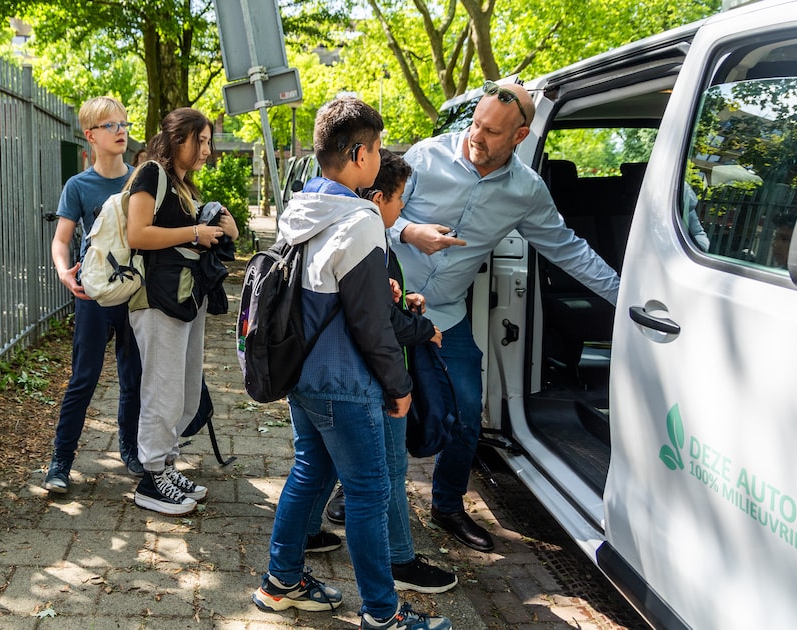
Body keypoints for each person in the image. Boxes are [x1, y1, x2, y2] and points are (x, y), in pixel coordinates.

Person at [390, 81, 619, 552]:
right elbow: (369, 213)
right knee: (374, 408)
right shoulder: (424, 158)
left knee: (468, 413)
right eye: (475, 124)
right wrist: (410, 231)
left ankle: (448, 505)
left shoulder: (526, 191)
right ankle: (350, 491)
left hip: (446, 318)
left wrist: (627, 295)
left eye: (492, 132)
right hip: (388, 305)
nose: (477, 137)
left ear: (519, 137)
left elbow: (567, 249)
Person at [252, 96, 451, 630]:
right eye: (379, 146)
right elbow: (370, 325)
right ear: (361, 154)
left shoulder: (303, 207)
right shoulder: (360, 217)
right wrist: (398, 383)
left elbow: (329, 290)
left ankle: (281, 582)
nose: (380, 154)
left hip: (303, 374)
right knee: (367, 492)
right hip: (345, 381)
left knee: (308, 471)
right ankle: (384, 614)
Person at [304, 150, 458, 596]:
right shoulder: (366, 231)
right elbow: (375, 322)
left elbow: (371, 303)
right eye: (400, 199)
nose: (402, 210)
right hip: (361, 376)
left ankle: (294, 555)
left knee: (315, 467)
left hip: (321, 373)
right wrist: (418, 339)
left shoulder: (324, 218)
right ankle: (393, 572)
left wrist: (401, 303)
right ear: (376, 195)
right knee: (382, 477)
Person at [126, 107, 237, 515]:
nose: (207, 149)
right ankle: (151, 477)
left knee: (186, 391)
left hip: (186, 299)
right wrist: (195, 231)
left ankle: (167, 465)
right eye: (201, 140)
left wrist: (221, 227)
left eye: (209, 141)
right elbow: (137, 233)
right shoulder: (151, 174)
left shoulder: (183, 184)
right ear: (179, 139)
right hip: (156, 300)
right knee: (163, 388)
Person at [43, 96, 144, 494]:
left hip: (136, 294)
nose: (121, 131)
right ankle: (60, 461)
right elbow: (61, 240)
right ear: (90, 136)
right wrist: (64, 273)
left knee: (133, 376)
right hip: (93, 295)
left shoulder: (141, 179)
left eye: (123, 123)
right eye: (110, 126)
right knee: (83, 378)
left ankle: (132, 449)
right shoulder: (79, 185)